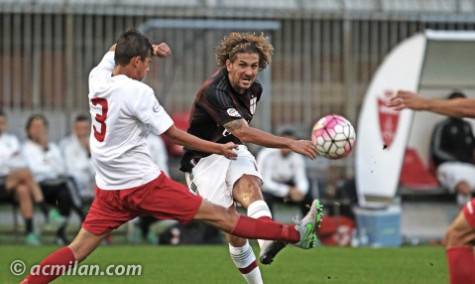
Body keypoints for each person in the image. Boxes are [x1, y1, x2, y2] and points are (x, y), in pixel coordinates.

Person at [21, 30, 322, 284]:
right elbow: (173, 135)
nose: (149, 68)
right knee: (223, 218)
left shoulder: (97, 78)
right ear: (137, 62)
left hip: (109, 189)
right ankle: (295, 233)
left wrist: (148, 47)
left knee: (77, 250)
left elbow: (115, 49)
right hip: (143, 184)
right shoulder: (138, 93)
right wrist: (217, 147)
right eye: (148, 63)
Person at [180, 32, 323, 283]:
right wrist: (291, 142)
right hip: (202, 161)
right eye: (242, 65)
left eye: (254, 66)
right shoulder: (214, 91)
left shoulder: (255, 90)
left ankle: (267, 240)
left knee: (250, 187)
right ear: (229, 64)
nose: (249, 72)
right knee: (235, 232)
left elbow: (237, 135)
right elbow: (242, 130)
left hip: (232, 150)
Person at [389, 90, 475, 284]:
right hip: (451, 167)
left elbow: (467, 106)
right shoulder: (443, 128)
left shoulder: (466, 126)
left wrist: (427, 104)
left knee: (458, 236)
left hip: (466, 168)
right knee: (458, 234)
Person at [22, 114, 85, 244]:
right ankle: (83, 216)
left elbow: (61, 169)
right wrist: (49, 167)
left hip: (56, 185)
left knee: (65, 195)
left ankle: (60, 235)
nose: (38, 130)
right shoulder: (25, 148)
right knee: (69, 182)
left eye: (41, 127)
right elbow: (34, 170)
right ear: (28, 129)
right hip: (39, 186)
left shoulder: (53, 148)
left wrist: (46, 151)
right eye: (35, 127)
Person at [0, 110, 47, 245]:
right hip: (6, 180)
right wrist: (9, 162)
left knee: (23, 190)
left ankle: (30, 233)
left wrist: (7, 164)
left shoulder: (12, 140)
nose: (0, 126)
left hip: (9, 183)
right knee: (25, 174)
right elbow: (12, 163)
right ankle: (45, 211)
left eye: (2, 123)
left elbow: (20, 162)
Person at [429, 92, 475, 206]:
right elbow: (436, 151)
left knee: (468, 180)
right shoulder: (442, 126)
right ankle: (465, 214)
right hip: (448, 166)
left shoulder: (467, 126)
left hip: (468, 166)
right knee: (463, 185)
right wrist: (457, 158)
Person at [256, 128, 313, 217]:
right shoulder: (267, 154)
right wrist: (287, 191)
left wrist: (300, 191)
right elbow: (264, 183)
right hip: (270, 189)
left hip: (289, 187)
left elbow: (301, 179)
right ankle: (269, 226)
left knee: (309, 199)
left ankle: (308, 227)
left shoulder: (297, 156)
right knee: (264, 199)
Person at [60, 114, 95, 202]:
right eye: (80, 128)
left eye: (85, 128)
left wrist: (89, 151)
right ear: (74, 128)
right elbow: (69, 167)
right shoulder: (66, 143)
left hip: (92, 179)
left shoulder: (94, 143)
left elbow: (97, 166)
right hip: (75, 179)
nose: (83, 131)